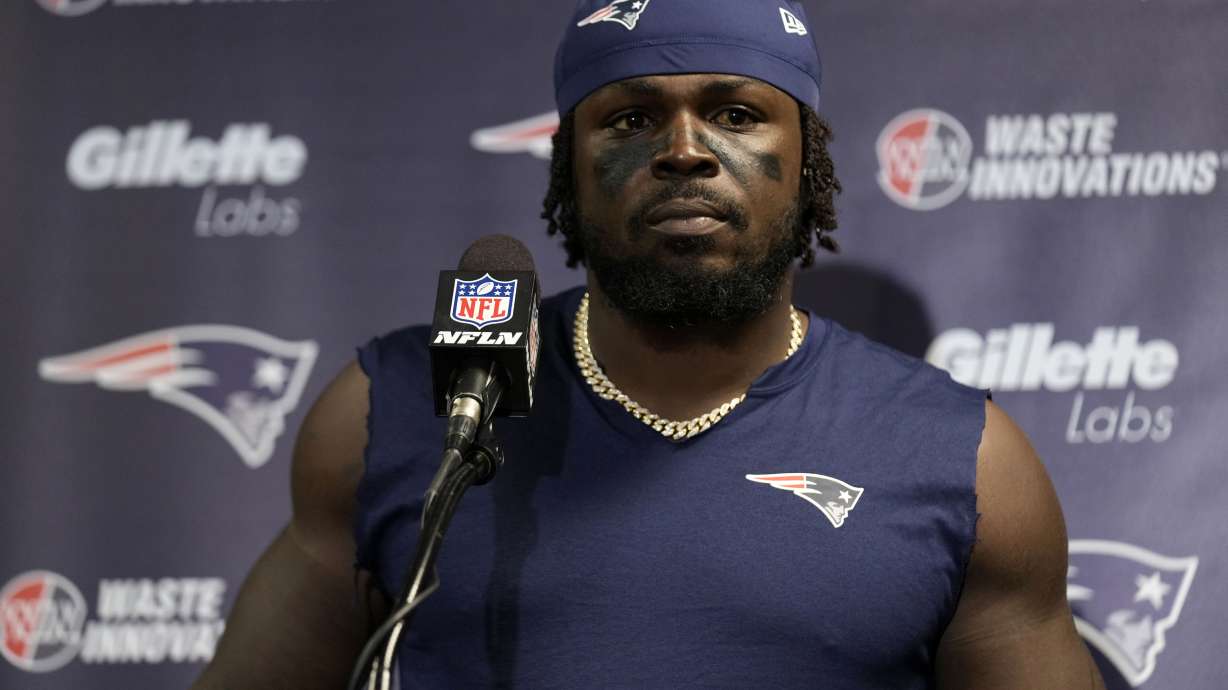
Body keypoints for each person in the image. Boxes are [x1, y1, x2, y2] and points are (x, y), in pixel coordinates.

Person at [194, 1, 1106, 688]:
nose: (684, 150)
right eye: (630, 119)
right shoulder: (396, 403)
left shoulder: (963, 458)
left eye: (737, 114)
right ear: (569, 167)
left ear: (810, 160)